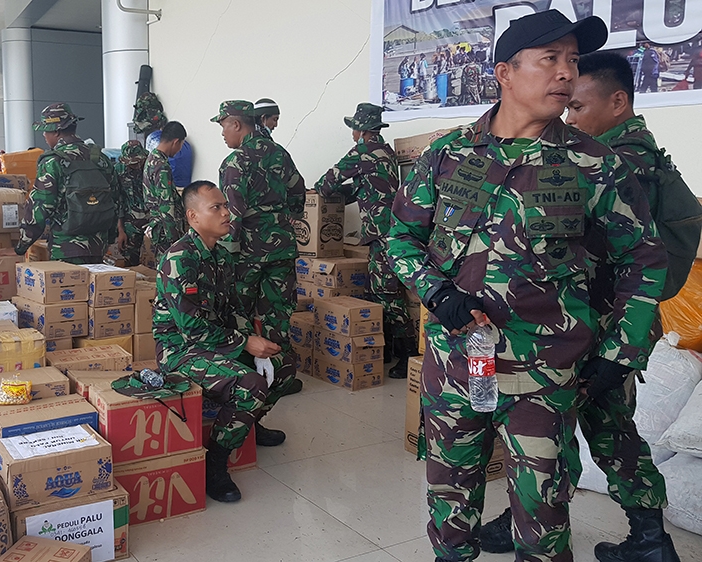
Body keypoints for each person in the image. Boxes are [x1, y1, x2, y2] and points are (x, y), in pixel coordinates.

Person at [387, 10, 666, 562]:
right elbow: (400, 238)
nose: (566, 72)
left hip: (544, 373)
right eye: (550, 59)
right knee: (450, 503)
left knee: (542, 524)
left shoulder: (594, 165)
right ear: (505, 73)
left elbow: (644, 258)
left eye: (572, 60)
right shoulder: (448, 155)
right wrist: (437, 293)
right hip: (458, 363)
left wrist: (621, 351)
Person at [475, 51, 681, 562]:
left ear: (618, 102)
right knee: (608, 428)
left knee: (554, 430)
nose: (569, 117)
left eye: (579, 106)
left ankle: (537, 520)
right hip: (604, 322)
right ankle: (650, 537)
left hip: (595, 324)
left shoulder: (614, 159)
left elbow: (629, 256)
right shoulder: (641, 153)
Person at [153, 180, 292, 503]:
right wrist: (245, 344)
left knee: (285, 366)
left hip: (216, 343)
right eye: (216, 208)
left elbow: (232, 311)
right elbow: (192, 330)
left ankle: (248, 425)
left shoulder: (220, 256)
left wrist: (256, 342)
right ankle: (213, 465)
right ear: (193, 217)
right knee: (250, 385)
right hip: (181, 351)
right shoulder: (180, 258)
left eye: (226, 206)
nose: (227, 213)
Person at [313, 103, 415, 379]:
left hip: (381, 234)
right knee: (381, 290)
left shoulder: (362, 151)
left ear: (360, 130)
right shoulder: (387, 153)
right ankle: (386, 349)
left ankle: (408, 355)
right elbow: (370, 185)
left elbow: (326, 183)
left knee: (386, 294)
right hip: (393, 229)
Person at [214, 100, 306, 397]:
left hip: (247, 254)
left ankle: (245, 382)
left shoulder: (234, 163)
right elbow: (298, 190)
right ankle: (281, 377)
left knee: (238, 313)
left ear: (237, 124)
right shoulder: (279, 153)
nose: (222, 132)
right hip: (281, 248)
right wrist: (283, 218)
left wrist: (224, 258)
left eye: (223, 125)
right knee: (277, 313)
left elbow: (232, 216)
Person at [17, 103, 121, 264]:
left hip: (66, 249)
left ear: (57, 131)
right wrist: (110, 237)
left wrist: (21, 246)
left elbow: (40, 207)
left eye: (46, 130)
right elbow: (114, 200)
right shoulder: (100, 158)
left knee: (69, 289)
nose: (44, 135)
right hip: (98, 247)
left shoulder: (53, 161)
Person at [143, 121, 188, 258]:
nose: (180, 149)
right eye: (181, 145)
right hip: (165, 230)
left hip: (158, 226)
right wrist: (174, 240)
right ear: (176, 142)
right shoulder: (161, 166)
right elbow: (166, 205)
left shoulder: (151, 158)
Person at [114, 140, 150, 266]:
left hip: (151, 222)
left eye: (136, 162)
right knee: (129, 262)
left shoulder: (150, 166)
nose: (134, 166)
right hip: (129, 224)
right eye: (130, 163)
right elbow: (117, 201)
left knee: (151, 261)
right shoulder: (118, 170)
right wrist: (121, 230)